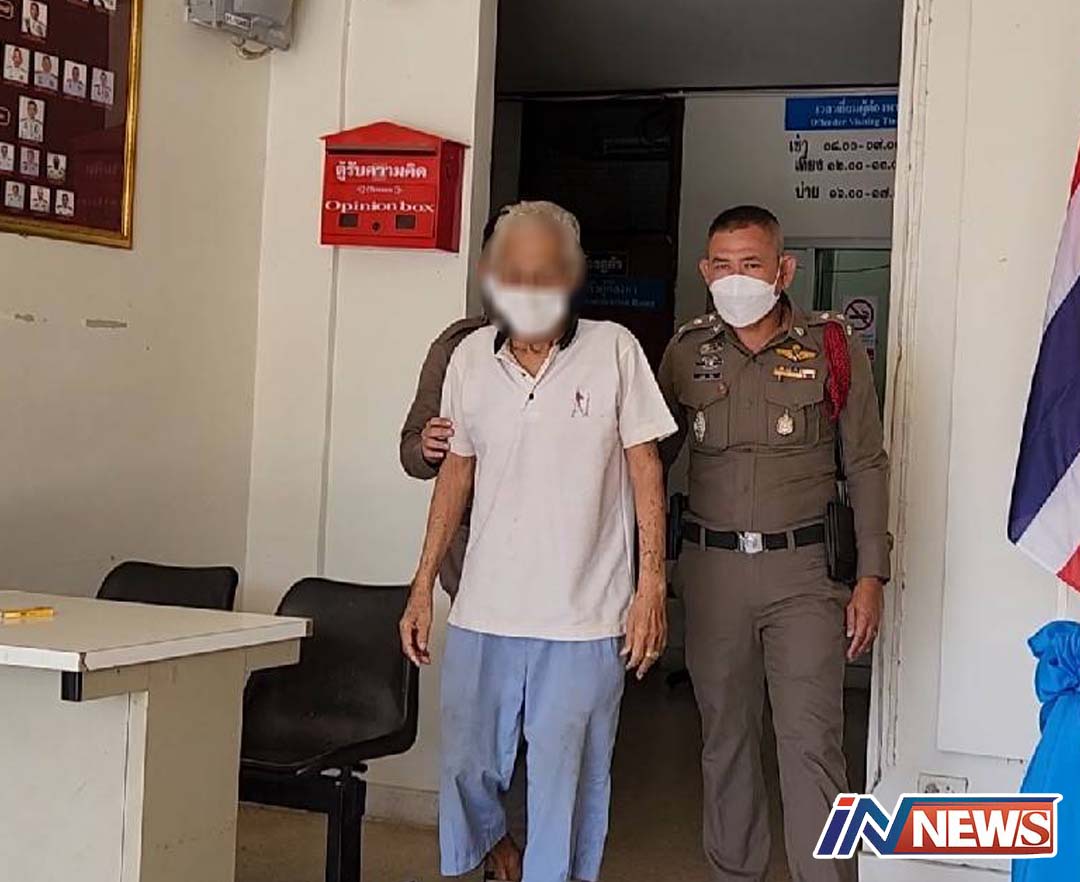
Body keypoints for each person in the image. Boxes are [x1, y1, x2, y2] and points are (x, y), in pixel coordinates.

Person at [400, 200, 674, 882]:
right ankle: (499, 851)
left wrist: (651, 587)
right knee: (465, 765)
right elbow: (454, 474)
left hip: (583, 618)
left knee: (565, 784)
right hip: (484, 609)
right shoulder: (467, 357)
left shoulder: (614, 350)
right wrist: (421, 584)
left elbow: (646, 469)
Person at [658, 205, 890, 882]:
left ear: (783, 270)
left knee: (813, 744)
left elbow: (866, 463)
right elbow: (646, 458)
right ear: (706, 271)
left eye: (752, 264)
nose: (737, 278)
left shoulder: (831, 346)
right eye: (724, 266)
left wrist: (870, 575)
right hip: (712, 574)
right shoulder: (685, 350)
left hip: (805, 576)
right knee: (724, 740)